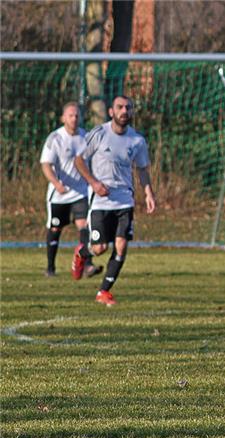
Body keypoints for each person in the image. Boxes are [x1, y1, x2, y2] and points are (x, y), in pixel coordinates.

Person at [73, 95, 157, 306]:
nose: (124, 111)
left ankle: (103, 291)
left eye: (128, 107)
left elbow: (142, 169)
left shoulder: (137, 140)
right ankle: (82, 253)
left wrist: (148, 193)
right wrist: (93, 183)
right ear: (111, 111)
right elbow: (79, 160)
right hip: (101, 202)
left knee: (120, 246)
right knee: (100, 248)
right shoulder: (99, 134)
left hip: (125, 202)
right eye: (120, 107)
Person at [39, 102, 100, 278]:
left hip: (81, 192)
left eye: (77, 115)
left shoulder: (86, 137)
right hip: (59, 194)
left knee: (84, 225)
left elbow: (94, 161)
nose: (74, 119)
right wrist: (56, 183)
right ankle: (50, 268)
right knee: (55, 229)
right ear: (63, 118)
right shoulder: (55, 138)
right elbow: (46, 165)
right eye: (70, 115)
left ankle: (87, 265)